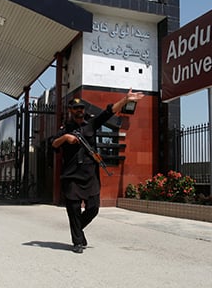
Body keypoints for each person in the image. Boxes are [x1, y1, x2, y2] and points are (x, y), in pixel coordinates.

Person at [51, 88, 145, 253]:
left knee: (93, 208)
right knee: (73, 209)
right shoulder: (65, 129)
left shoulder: (92, 125)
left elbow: (109, 112)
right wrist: (65, 138)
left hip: (90, 175)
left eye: (81, 108)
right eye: (76, 108)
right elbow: (53, 144)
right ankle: (78, 242)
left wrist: (126, 100)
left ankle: (77, 230)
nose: (79, 111)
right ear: (71, 111)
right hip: (72, 176)